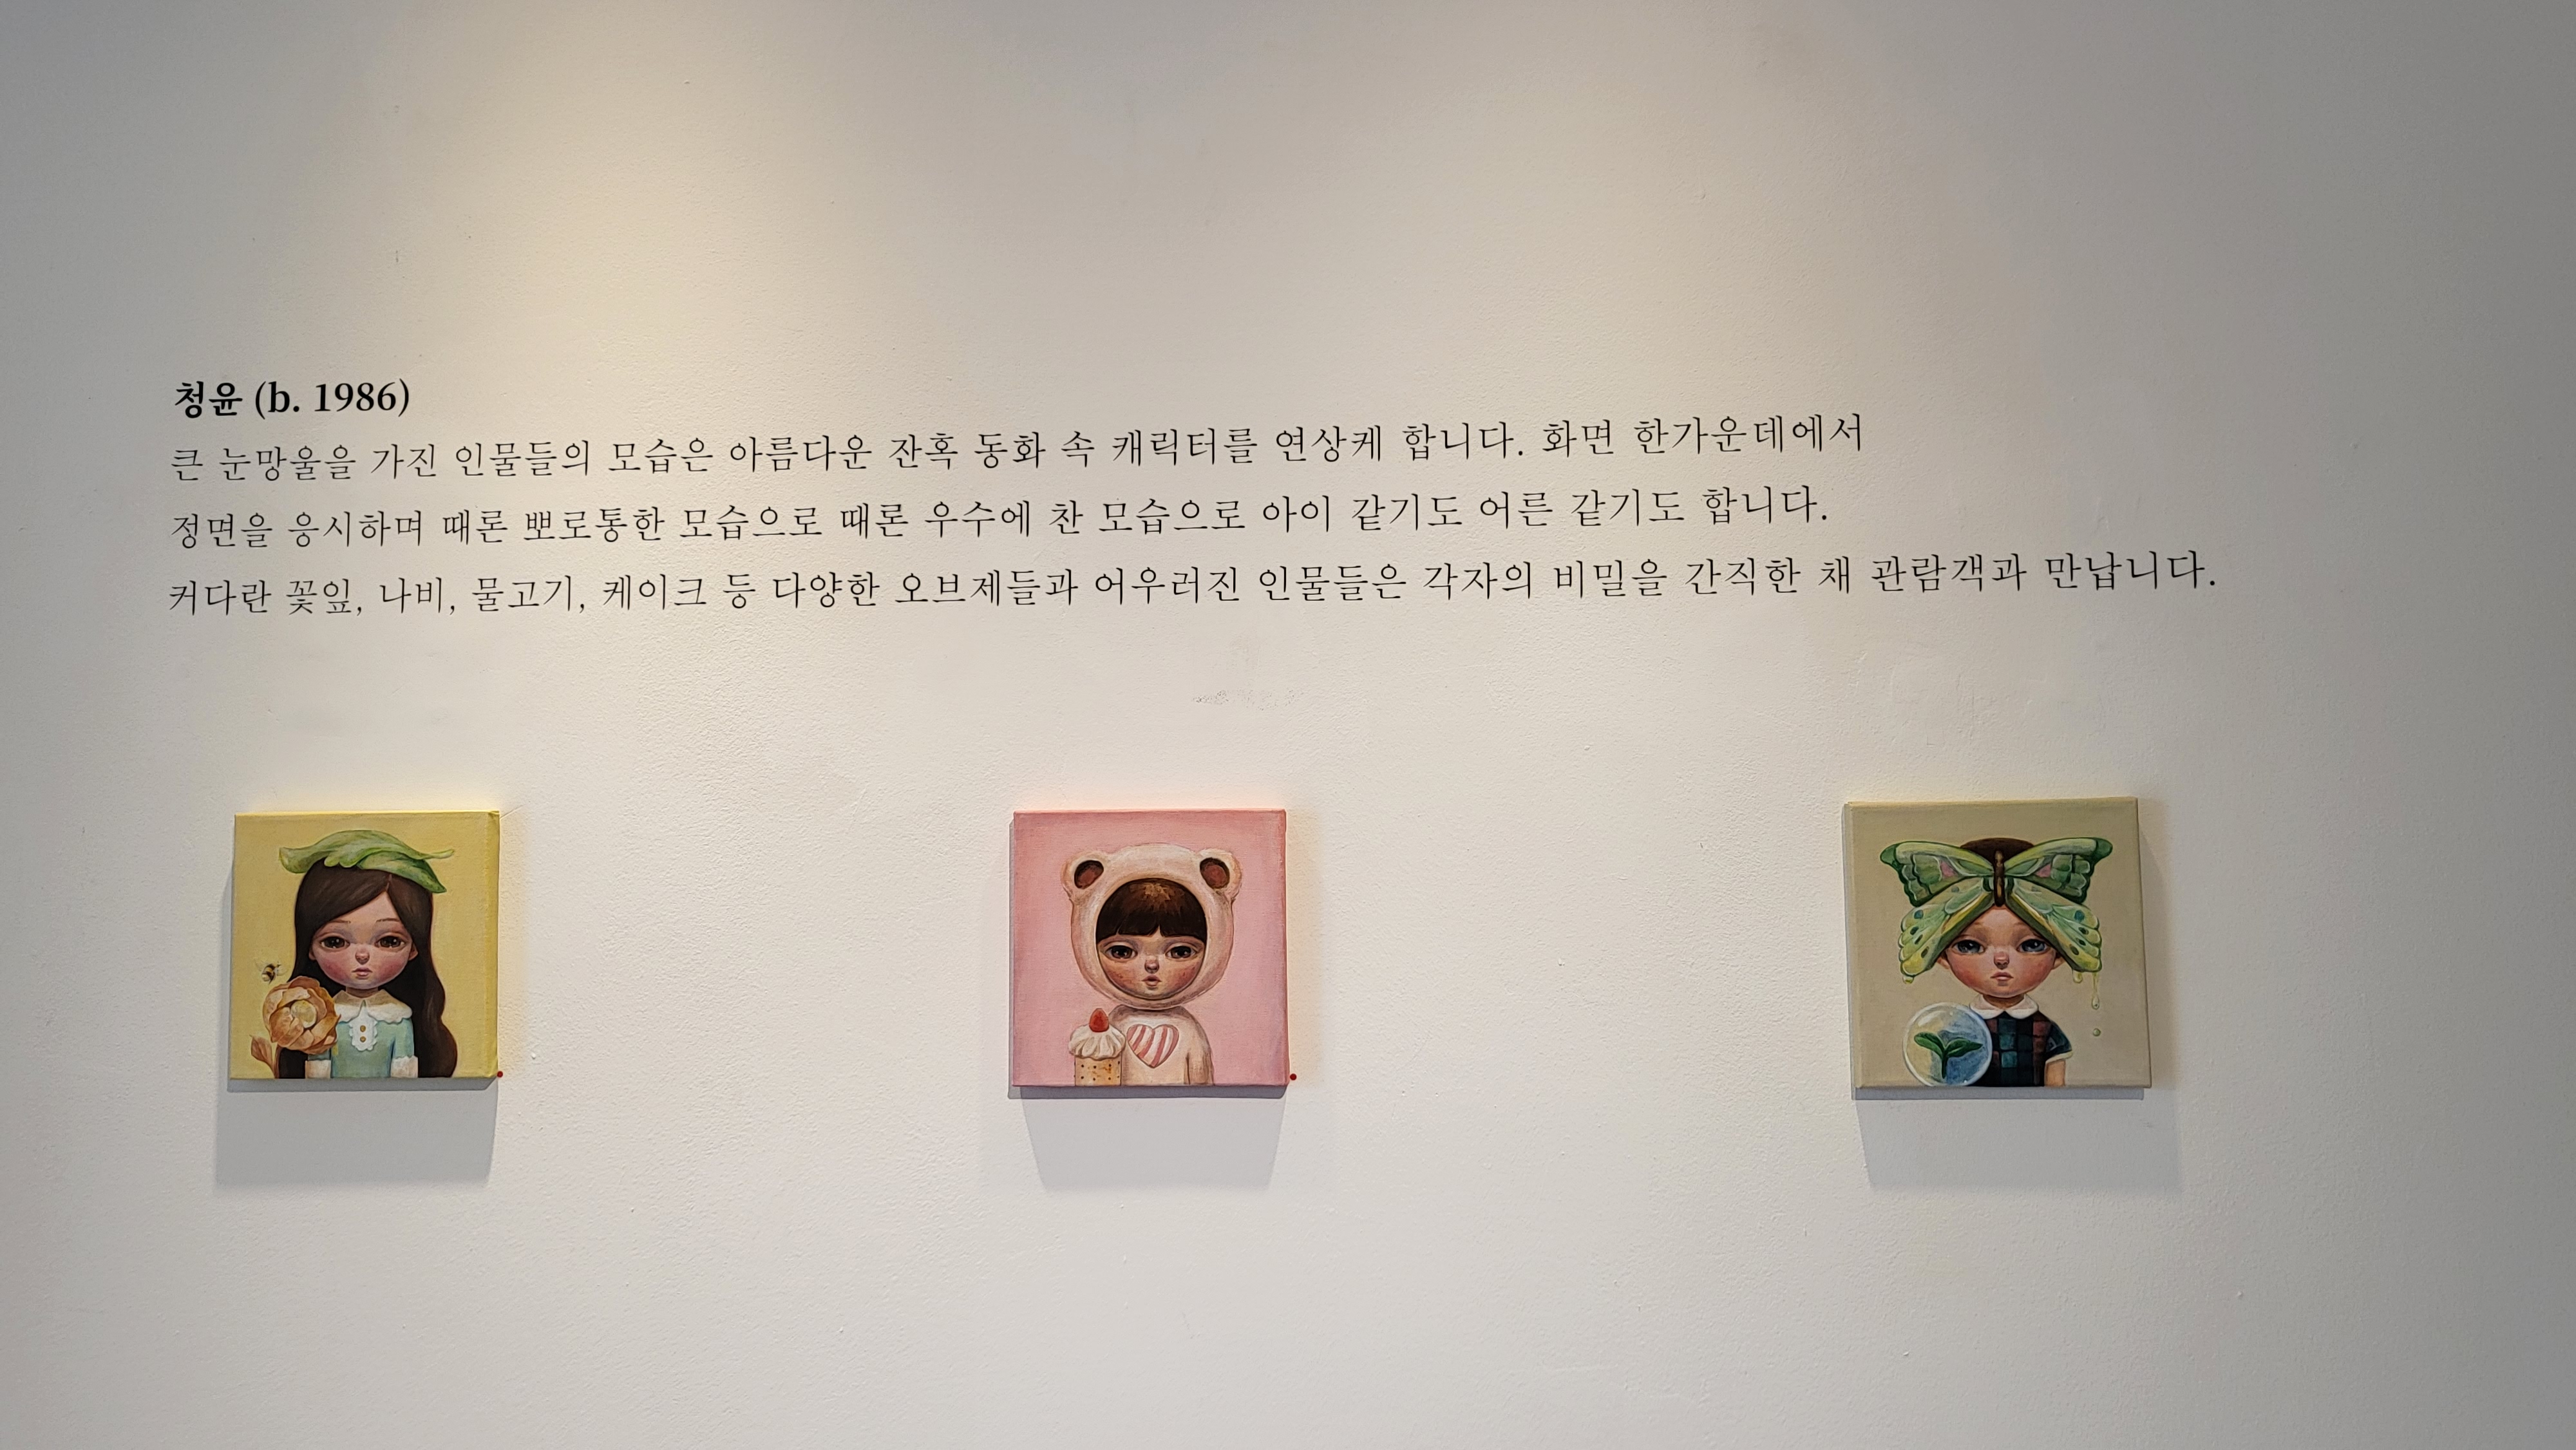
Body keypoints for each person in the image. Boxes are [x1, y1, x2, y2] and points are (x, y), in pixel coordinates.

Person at [1880, 834, 2114, 1088]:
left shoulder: (2046, 1031)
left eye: (2031, 945)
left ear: (2060, 955)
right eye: (1970, 946)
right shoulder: (1958, 1029)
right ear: (1942, 957)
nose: (2001, 959)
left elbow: (2056, 1089)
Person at [251, 830, 459, 1079]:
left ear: (415, 947)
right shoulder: (320, 1016)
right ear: (310, 947)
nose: (362, 955)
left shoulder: (399, 1017)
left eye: (389, 941)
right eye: (335, 942)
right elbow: (317, 1075)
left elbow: (404, 1077)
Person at [1061, 843, 1241, 1086]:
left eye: (1180, 952)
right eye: (1122, 952)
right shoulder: (1114, 1027)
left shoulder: (1189, 1030)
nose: (1152, 965)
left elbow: (1202, 1084)